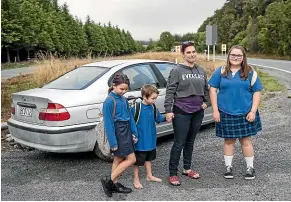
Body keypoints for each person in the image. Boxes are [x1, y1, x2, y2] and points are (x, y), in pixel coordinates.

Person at [208, 45, 263, 180]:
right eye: (233, 55)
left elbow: (257, 92)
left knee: (246, 141)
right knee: (228, 141)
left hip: (246, 112)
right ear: (229, 56)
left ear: (243, 57)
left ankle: (250, 168)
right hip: (225, 112)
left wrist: (253, 111)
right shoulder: (220, 71)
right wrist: (215, 110)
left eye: (239, 55)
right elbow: (212, 90)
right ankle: (228, 167)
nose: (236, 58)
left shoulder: (251, 72)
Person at [164, 41, 211, 186]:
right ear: (183, 54)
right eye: (188, 52)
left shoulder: (201, 71)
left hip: (197, 111)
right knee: (179, 142)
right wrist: (168, 110)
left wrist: (206, 103)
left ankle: (187, 168)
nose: (192, 54)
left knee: (190, 142)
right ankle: (172, 173)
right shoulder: (176, 71)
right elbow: (170, 91)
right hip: (181, 111)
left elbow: (206, 90)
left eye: (193, 52)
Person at [101, 73, 138, 197]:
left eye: (126, 89)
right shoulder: (109, 101)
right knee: (132, 159)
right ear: (114, 86)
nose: (123, 91)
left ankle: (114, 184)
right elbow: (108, 124)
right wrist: (113, 143)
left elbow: (130, 117)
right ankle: (108, 180)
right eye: (121, 89)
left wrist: (134, 132)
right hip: (118, 132)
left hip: (126, 130)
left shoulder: (123, 99)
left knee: (118, 159)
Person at [130, 85, 166, 189]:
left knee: (148, 158)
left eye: (156, 98)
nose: (155, 100)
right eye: (153, 98)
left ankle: (149, 175)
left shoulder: (153, 107)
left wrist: (167, 117)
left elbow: (158, 118)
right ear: (144, 97)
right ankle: (136, 179)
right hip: (140, 141)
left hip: (150, 139)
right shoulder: (136, 108)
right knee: (136, 161)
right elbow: (130, 122)